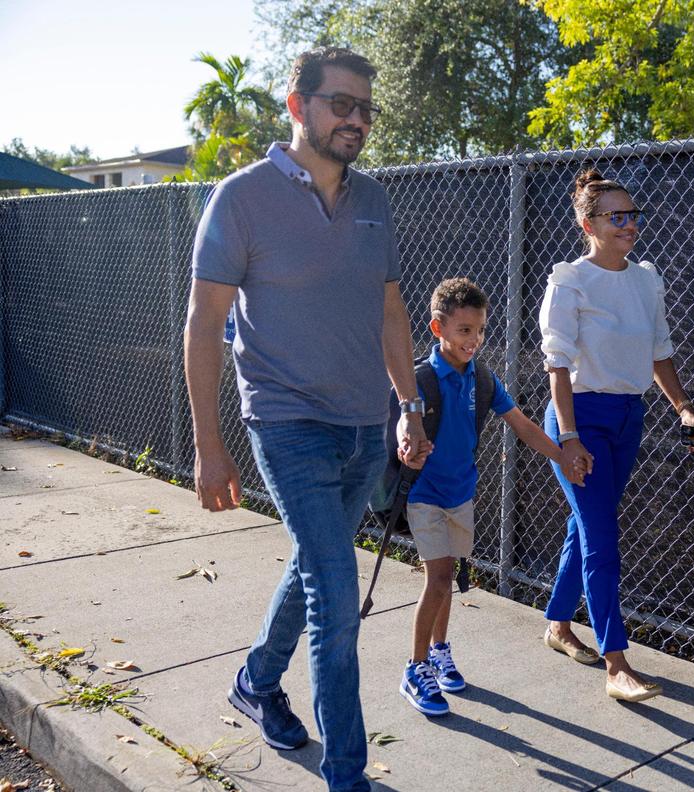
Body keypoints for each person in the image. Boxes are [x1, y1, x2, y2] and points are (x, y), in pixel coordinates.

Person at [183, 46, 430, 792]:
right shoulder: (242, 197)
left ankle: (258, 681)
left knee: (310, 567)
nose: (356, 120)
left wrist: (410, 405)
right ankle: (348, 777)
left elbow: (390, 310)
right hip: (285, 423)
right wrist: (208, 446)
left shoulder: (375, 200)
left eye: (365, 109)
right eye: (341, 104)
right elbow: (202, 324)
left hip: (363, 426)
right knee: (335, 594)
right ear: (298, 107)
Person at [539, 169, 694, 703]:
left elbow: (659, 350)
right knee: (601, 535)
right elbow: (558, 366)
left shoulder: (645, 279)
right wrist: (568, 436)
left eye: (633, 214)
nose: (629, 224)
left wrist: (681, 405)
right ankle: (617, 663)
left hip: (628, 419)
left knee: (583, 526)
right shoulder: (569, 281)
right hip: (577, 420)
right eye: (617, 216)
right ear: (588, 223)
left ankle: (559, 626)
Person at [398, 277, 588, 716]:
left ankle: (440, 651)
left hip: (461, 494)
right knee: (440, 579)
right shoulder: (420, 379)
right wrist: (407, 446)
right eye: (464, 330)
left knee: (445, 583)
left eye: (480, 329)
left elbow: (521, 424)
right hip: (424, 494)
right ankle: (416, 667)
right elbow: (399, 425)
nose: (475, 339)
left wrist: (563, 456)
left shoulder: (482, 378)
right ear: (438, 329)